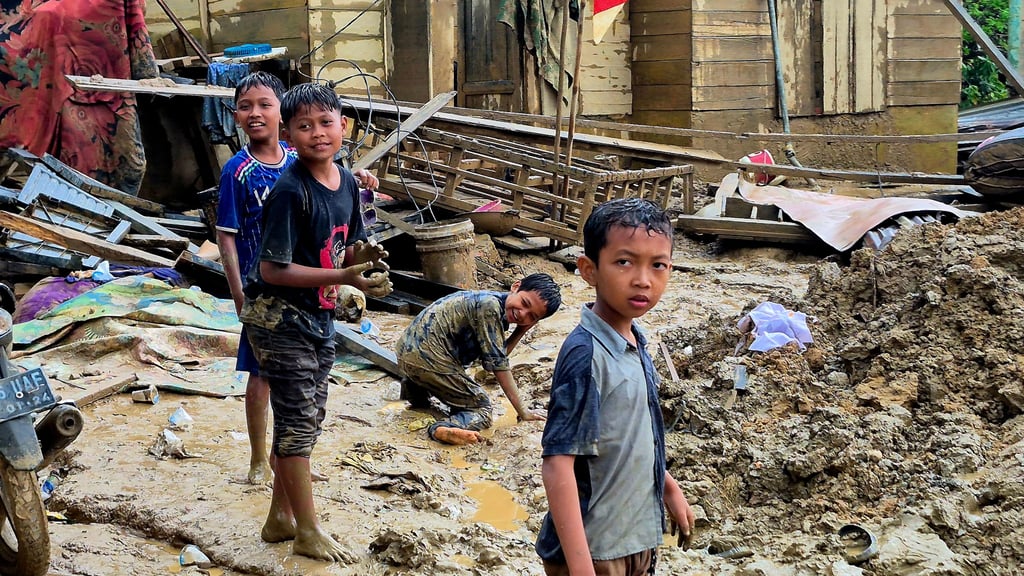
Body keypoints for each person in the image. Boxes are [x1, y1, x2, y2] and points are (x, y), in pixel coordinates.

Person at [238, 81, 391, 563]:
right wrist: (343, 276)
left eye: (326, 122)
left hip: (316, 315)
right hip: (277, 319)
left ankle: (280, 518)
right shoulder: (290, 191)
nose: (318, 133)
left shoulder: (345, 181)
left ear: (344, 126)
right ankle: (307, 531)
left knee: (309, 417)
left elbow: (348, 246)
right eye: (304, 126)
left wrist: (364, 265)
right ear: (288, 134)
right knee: (297, 423)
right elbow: (271, 269)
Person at [216, 71, 377, 485]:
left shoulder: (297, 158)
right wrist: (237, 292)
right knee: (262, 374)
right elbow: (226, 236)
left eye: (264, 104)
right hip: (266, 293)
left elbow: (330, 187)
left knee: (299, 393)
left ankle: (288, 465)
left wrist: (359, 180)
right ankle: (260, 458)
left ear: (280, 116)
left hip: (308, 290)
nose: (256, 113)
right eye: (246, 106)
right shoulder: (239, 171)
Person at [535, 198, 696, 576]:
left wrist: (668, 488)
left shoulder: (635, 341)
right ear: (589, 270)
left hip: (635, 538)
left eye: (658, 265)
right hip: (596, 551)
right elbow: (558, 464)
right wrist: (581, 568)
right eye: (624, 262)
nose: (643, 279)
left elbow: (629, 436)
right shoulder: (586, 354)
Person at [395, 273, 562, 445]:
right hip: (428, 359)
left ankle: (415, 390)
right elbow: (498, 366)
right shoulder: (489, 306)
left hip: (407, 355)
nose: (523, 314)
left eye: (532, 317)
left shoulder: (492, 302)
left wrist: (521, 330)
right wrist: (523, 411)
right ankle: (441, 429)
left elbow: (494, 357)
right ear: (515, 286)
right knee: (481, 408)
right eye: (525, 303)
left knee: (453, 386)